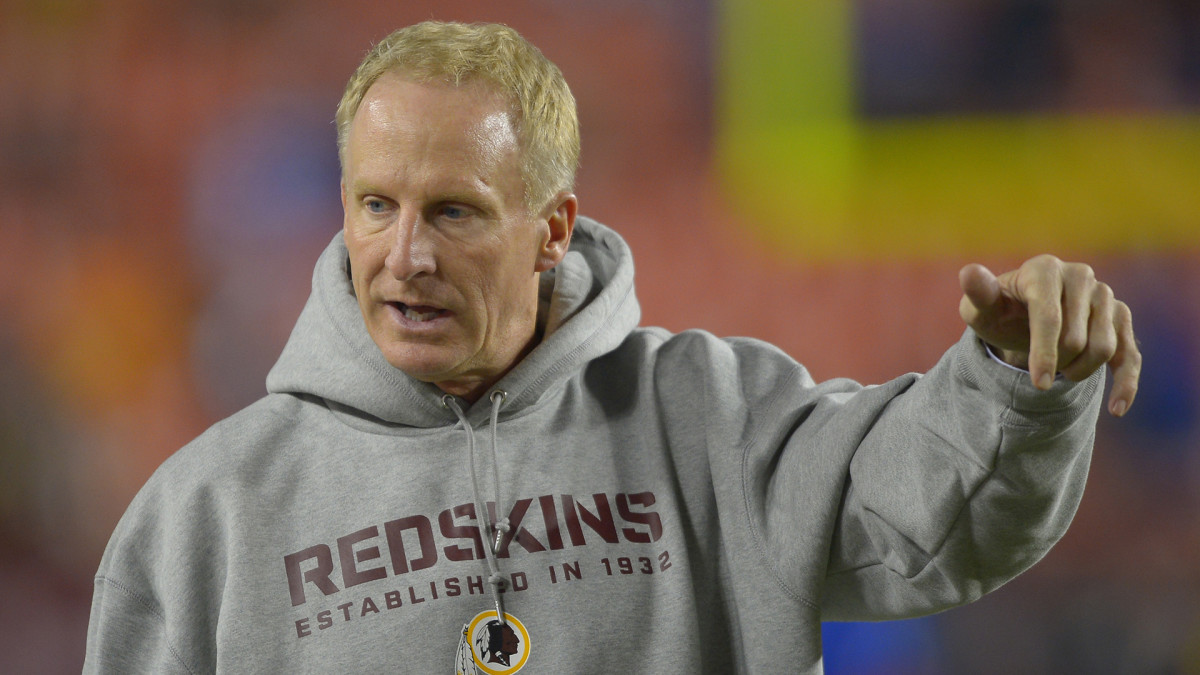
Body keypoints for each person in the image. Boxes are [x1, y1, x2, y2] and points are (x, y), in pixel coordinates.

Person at [83, 20, 1140, 674]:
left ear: (551, 230)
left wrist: (1016, 376)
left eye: (453, 211)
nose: (404, 256)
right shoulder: (205, 512)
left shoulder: (717, 415)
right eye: (375, 205)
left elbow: (938, 524)